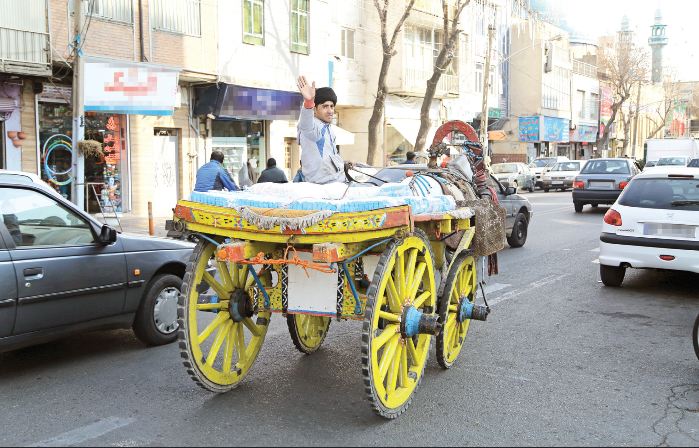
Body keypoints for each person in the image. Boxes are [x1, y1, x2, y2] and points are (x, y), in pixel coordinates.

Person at [296, 75, 347, 184]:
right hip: (322, 184)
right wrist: (309, 102)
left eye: (332, 106)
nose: (330, 111)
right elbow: (306, 125)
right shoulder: (313, 126)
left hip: (337, 180)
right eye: (325, 106)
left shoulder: (329, 129)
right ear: (314, 109)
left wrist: (343, 164)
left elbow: (330, 157)